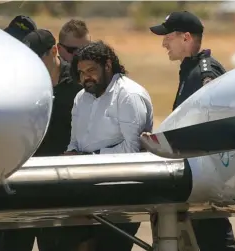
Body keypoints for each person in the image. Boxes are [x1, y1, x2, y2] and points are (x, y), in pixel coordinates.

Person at [149, 10, 235, 251]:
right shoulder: (190, 70)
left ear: (186, 37)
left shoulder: (204, 72)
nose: (163, 42)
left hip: (207, 175)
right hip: (195, 173)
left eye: (168, 36)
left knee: (214, 239)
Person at [0, 29, 83, 251]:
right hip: (23, 180)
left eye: (38, 57)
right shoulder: (20, 84)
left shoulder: (77, 85)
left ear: (53, 51)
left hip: (61, 183)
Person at [64, 40, 154, 251]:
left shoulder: (128, 95)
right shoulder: (81, 98)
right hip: (83, 188)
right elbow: (75, 141)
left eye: (91, 70)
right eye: (82, 72)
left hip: (120, 190)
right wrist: (72, 154)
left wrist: (91, 157)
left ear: (108, 65)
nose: (86, 77)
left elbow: (133, 150)